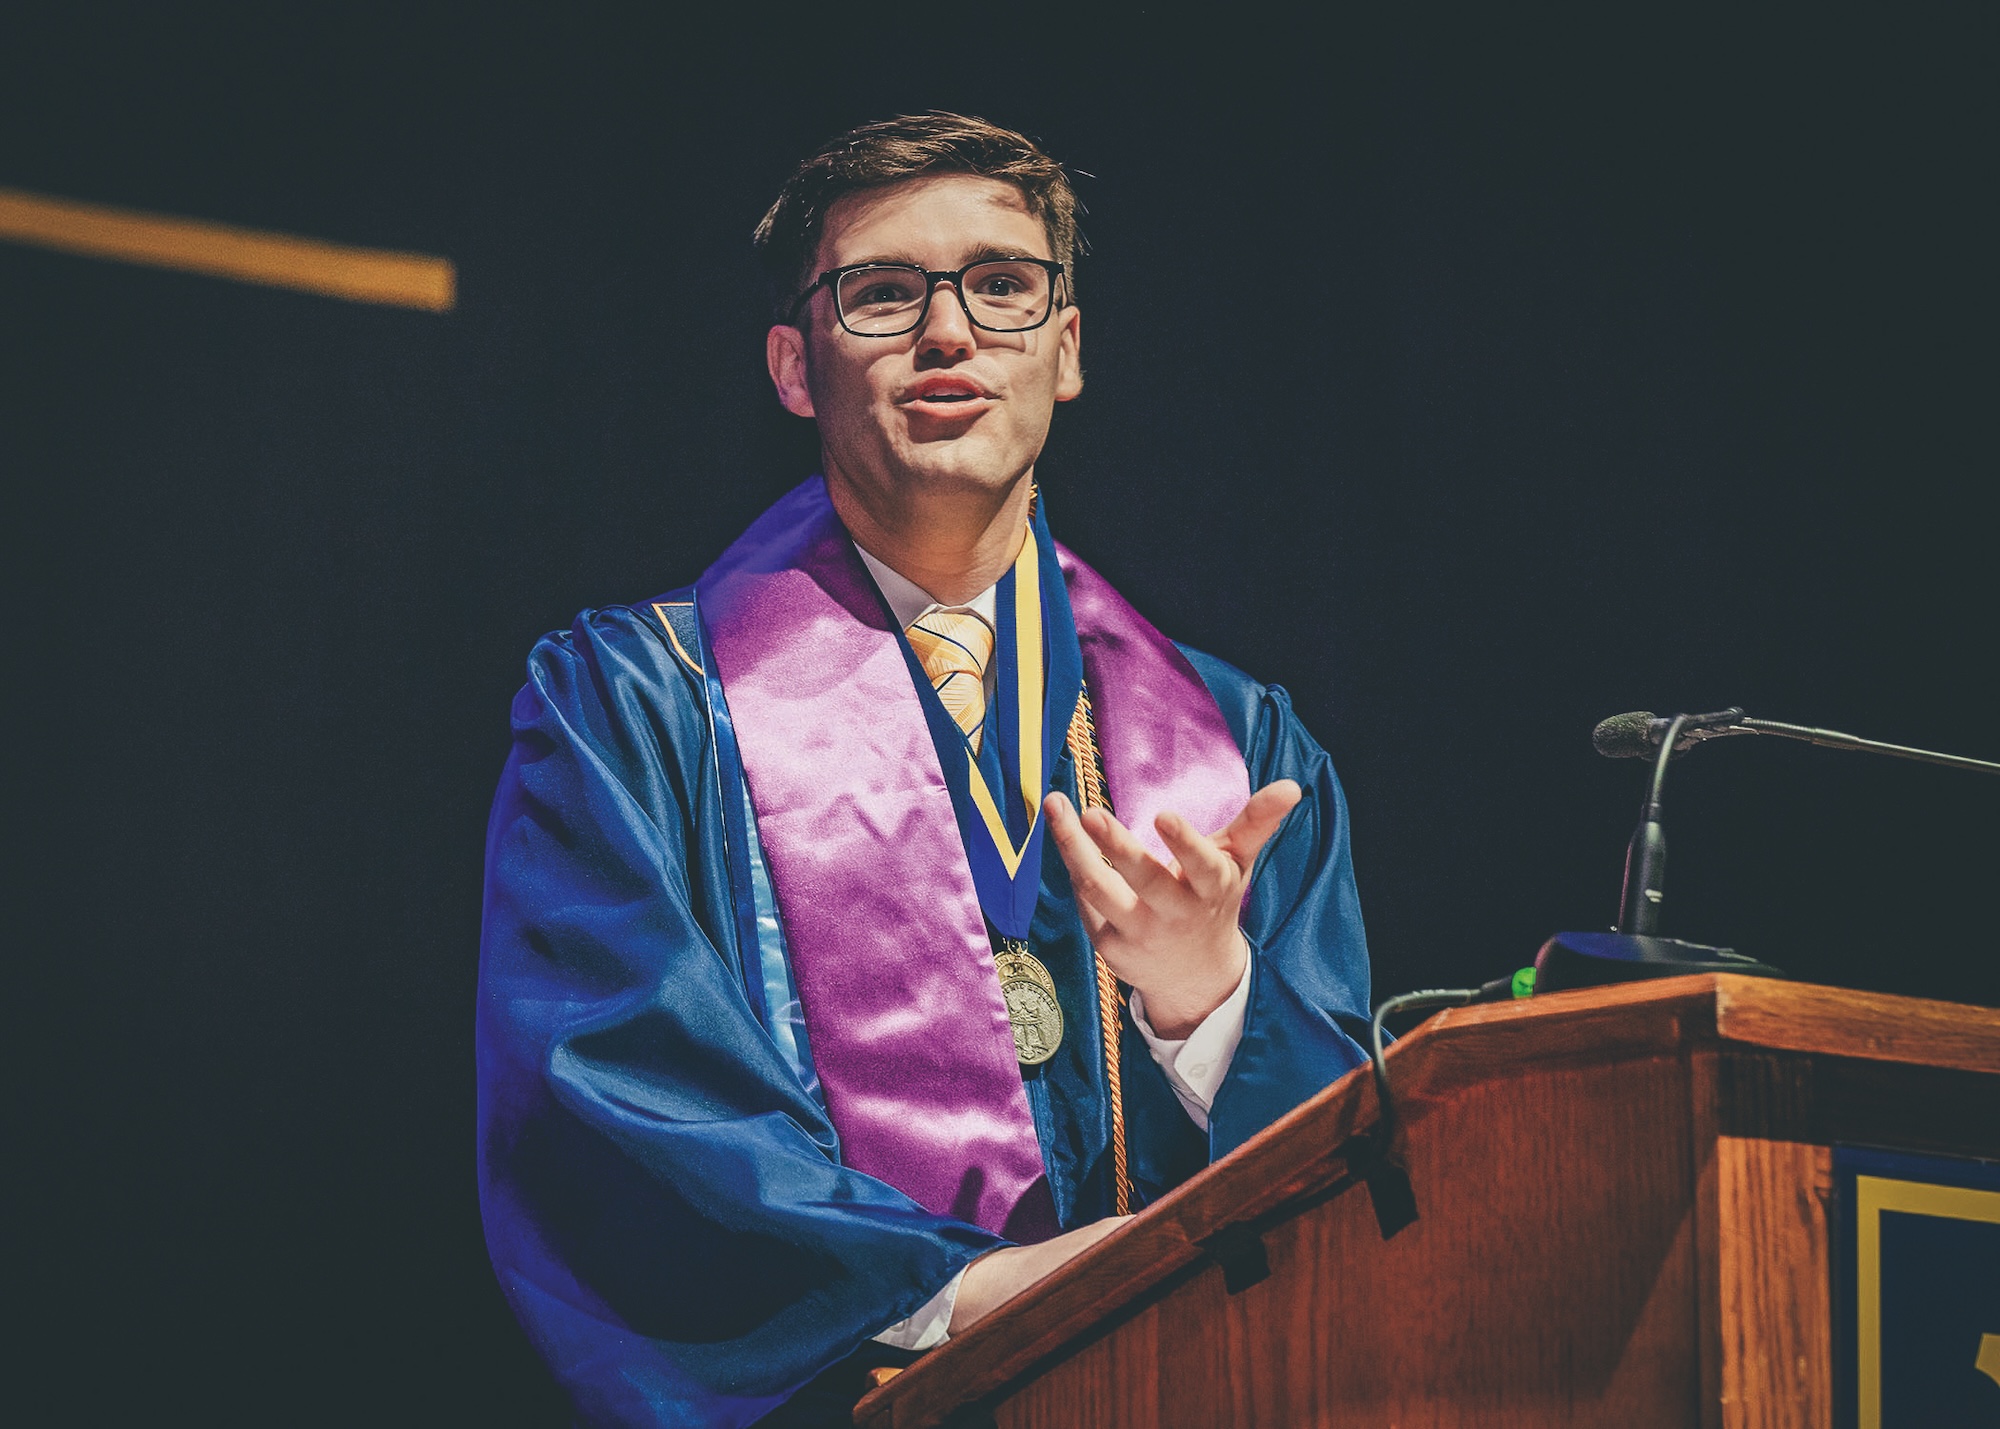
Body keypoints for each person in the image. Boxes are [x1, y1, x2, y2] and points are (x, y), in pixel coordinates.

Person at [477, 112, 1373, 1428]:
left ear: (1066, 350)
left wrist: (1210, 1008)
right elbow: (610, 1101)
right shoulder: (637, 706)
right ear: (794, 365)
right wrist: (965, 1293)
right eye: (883, 293)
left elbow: (1353, 1169)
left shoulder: (1238, 746)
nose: (949, 333)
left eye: (1004, 285)